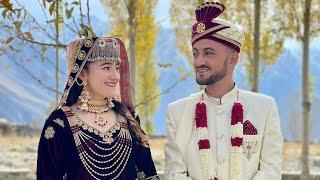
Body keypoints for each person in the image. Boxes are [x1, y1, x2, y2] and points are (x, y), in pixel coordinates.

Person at [164, 2, 283, 180]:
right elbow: (174, 174)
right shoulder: (177, 112)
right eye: (195, 53)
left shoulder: (264, 108)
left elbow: (271, 172)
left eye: (208, 52)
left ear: (232, 59)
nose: (198, 61)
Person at [37, 36, 159, 180]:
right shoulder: (59, 123)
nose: (116, 76)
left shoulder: (128, 117)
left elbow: (148, 175)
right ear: (83, 73)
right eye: (106, 67)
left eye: (117, 68)